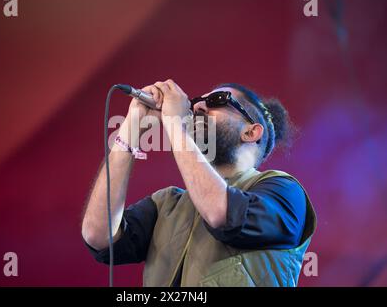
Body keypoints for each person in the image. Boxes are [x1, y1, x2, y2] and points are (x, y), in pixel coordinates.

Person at [81, 79, 316, 287]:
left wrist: (174, 123)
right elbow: (98, 235)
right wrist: (132, 127)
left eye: (217, 100)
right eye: (195, 102)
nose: (198, 106)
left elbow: (221, 214)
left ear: (251, 132)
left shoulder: (284, 191)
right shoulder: (167, 203)